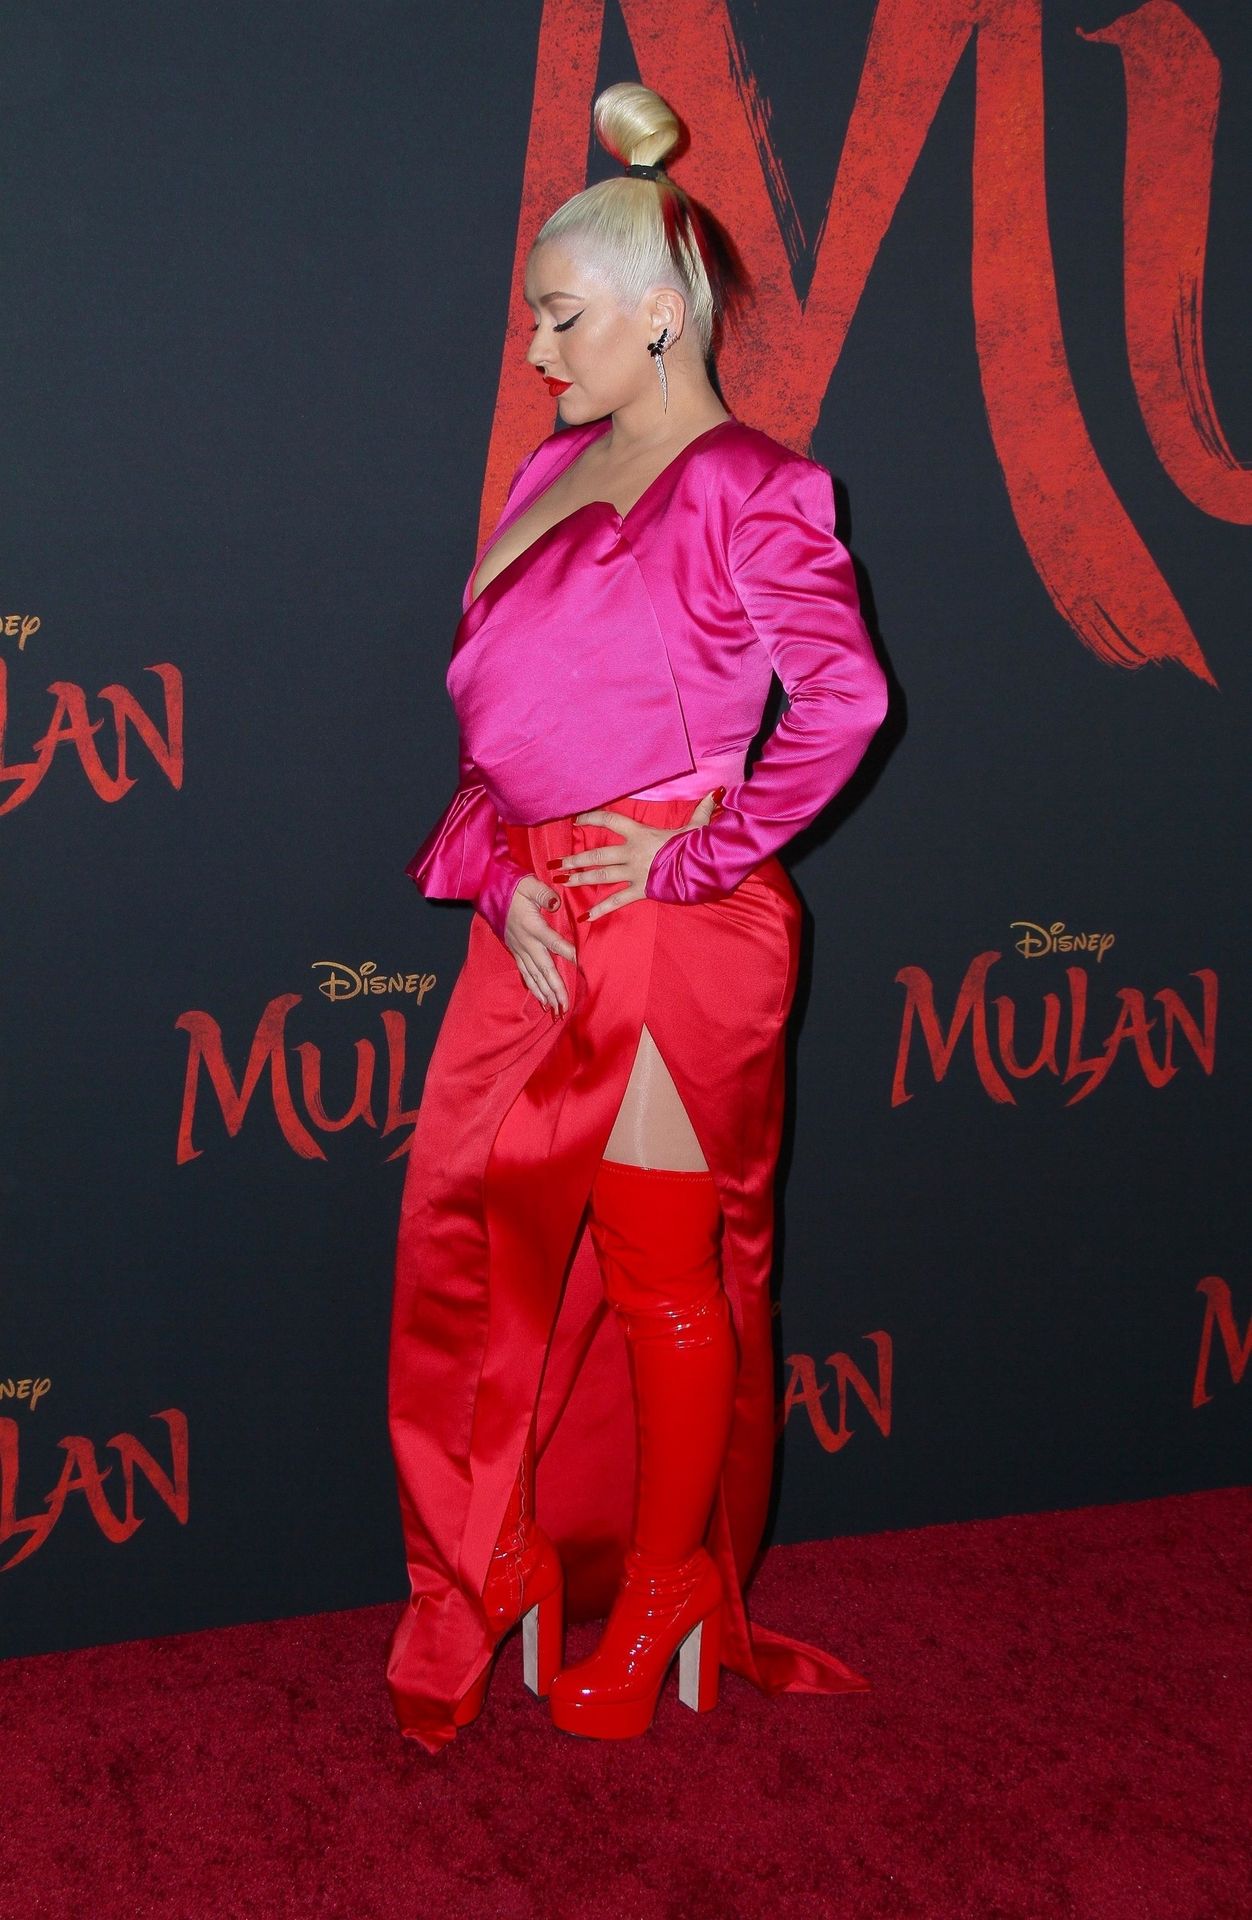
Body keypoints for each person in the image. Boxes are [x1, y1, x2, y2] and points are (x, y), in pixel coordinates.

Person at [386, 80, 890, 1751]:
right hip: (535, 913)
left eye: (565, 317)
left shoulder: (753, 486)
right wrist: (508, 875)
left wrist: (696, 854)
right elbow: (502, 729)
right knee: (497, 1255)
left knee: (661, 1273)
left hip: (674, 932)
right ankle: (519, 1543)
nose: (539, 350)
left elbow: (843, 700)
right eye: (537, 318)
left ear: (662, 314)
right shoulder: (552, 464)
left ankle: (669, 1581)